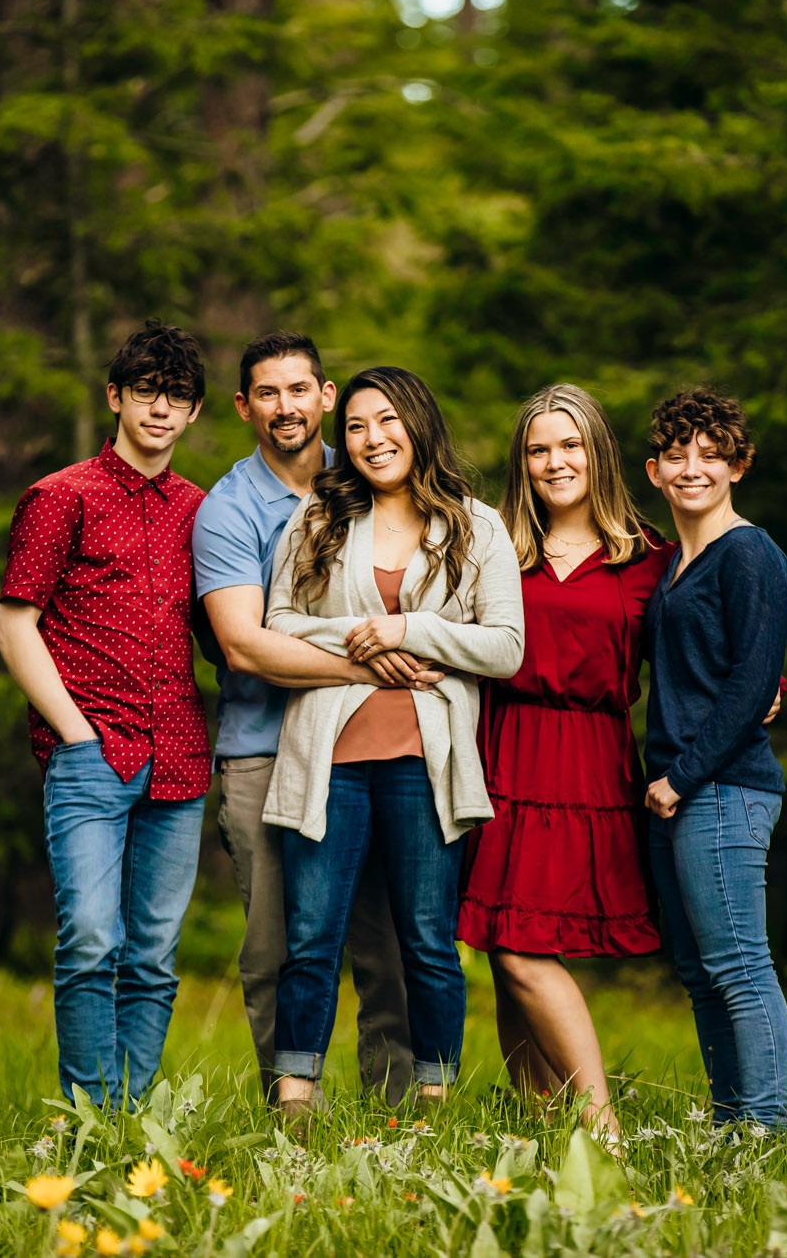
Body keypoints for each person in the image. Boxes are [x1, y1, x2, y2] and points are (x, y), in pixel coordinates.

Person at [458, 385, 782, 1146]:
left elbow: (717, 638)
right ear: (523, 462)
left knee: (524, 947)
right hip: (500, 751)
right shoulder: (495, 546)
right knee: (503, 948)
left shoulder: (647, 556)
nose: (554, 461)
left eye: (569, 445)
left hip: (586, 761)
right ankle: (546, 1126)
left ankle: (600, 1125)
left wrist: (772, 685)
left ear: (598, 454)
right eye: (538, 448)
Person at [260, 367, 524, 1123]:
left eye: (386, 421)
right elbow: (277, 623)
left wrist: (408, 628)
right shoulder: (319, 515)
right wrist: (363, 645)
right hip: (329, 762)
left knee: (429, 943)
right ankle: (295, 1101)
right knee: (311, 937)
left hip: (425, 763)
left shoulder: (476, 525)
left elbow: (505, 646)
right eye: (355, 427)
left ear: (417, 423)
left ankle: (435, 1101)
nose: (372, 439)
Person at [192, 331, 428, 1104]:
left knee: (385, 944)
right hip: (264, 751)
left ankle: (395, 1120)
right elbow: (244, 645)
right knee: (274, 950)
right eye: (267, 392)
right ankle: (292, 1116)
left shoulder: (373, 473)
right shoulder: (229, 509)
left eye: (300, 389)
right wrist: (369, 664)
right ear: (244, 407)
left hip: (369, 747)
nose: (286, 406)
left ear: (328, 396)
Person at [0, 319, 211, 1108]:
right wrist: (77, 734)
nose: (160, 408)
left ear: (193, 414)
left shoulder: (201, 510)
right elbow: (13, 626)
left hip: (181, 758)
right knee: (91, 939)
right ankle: (89, 1117)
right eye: (146, 391)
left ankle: (132, 1122)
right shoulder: (61, 497)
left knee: (152, 954)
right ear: (115, 397)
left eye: (177, 396)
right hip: (90, 752)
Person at [641, 387, 787, 1131]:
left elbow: (752, 682)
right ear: (655, 471)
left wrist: (678, 778)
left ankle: (764, 1130)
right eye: (678, 455)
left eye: (710, 454)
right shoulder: (670, 563)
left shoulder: (750, 552)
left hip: (724, 788)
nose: (693, 468)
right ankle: (728, 1123)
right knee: (702, 977)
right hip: (678, 791)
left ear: (739, 465)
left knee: (739, 967)